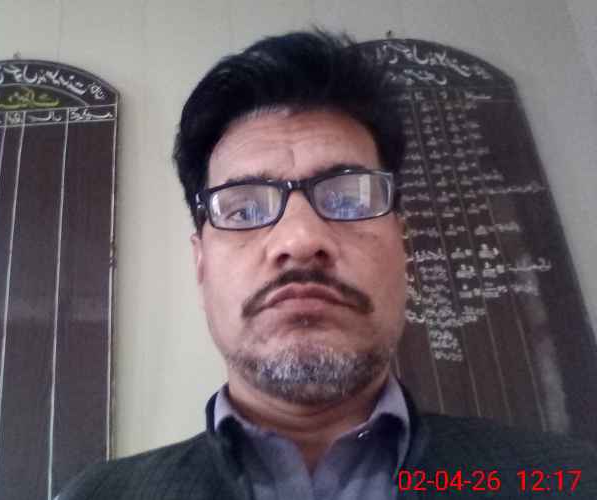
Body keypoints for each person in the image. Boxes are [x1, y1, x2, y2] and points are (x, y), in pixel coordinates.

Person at [57, 30, 597, 499]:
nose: (300, 239)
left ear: (402, 245)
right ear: (201, 264)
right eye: (243, 209)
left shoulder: (569, 480)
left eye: (348, 198)